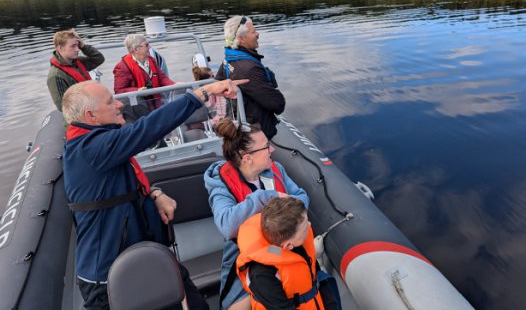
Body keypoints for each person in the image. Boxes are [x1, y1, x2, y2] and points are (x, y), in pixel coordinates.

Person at [62, 78, 245, 310]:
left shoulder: (95, 146)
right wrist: (203, 93)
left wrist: (155, 193)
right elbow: (147, 129)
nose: (119, 105)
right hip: (109, 275)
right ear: (91, 116)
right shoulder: (91, 149)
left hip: (143, 253)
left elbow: (120, 183)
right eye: (110, 102)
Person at [204, 118, 309, 310]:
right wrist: (268, 197)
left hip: (280, 248)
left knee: (302, 283)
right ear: (247, 158)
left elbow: (302, 197)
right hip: (246, 254)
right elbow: (227, 225)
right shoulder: (220, 183)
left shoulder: (276, 170)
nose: (272, 150)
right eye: (266, 146)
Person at [236, 198, 327, 310]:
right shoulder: (261, 275)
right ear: (288, 246)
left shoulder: (298, 245)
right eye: (304, 229)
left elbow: (314, 273)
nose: (309, 225)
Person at [215, 15, 285, 139]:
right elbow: (277, 105)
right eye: (253, 31)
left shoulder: (228, 59)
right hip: (255, 133)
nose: (258, 34)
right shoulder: (249, 69)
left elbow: (219, 81)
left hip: (240, 119)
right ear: (241, 38)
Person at [47, 29, 105, 111]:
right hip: (79, 116)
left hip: (91, 107)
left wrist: (84, 47)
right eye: (73, 46)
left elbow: (99, 59)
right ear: (60, 48)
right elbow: (62, 106)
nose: (77, 49)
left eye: (78, 46)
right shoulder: (55, 76)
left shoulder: (78, 62)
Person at [113, 33, 175, 110]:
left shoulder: (151, 60)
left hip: (157, 102)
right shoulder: (122, 67)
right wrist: (137, 91)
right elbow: (119, 91)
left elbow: (162, 78)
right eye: (146, 45)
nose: (150, 47)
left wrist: (174, 85)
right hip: (139, 107)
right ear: (136, 49)